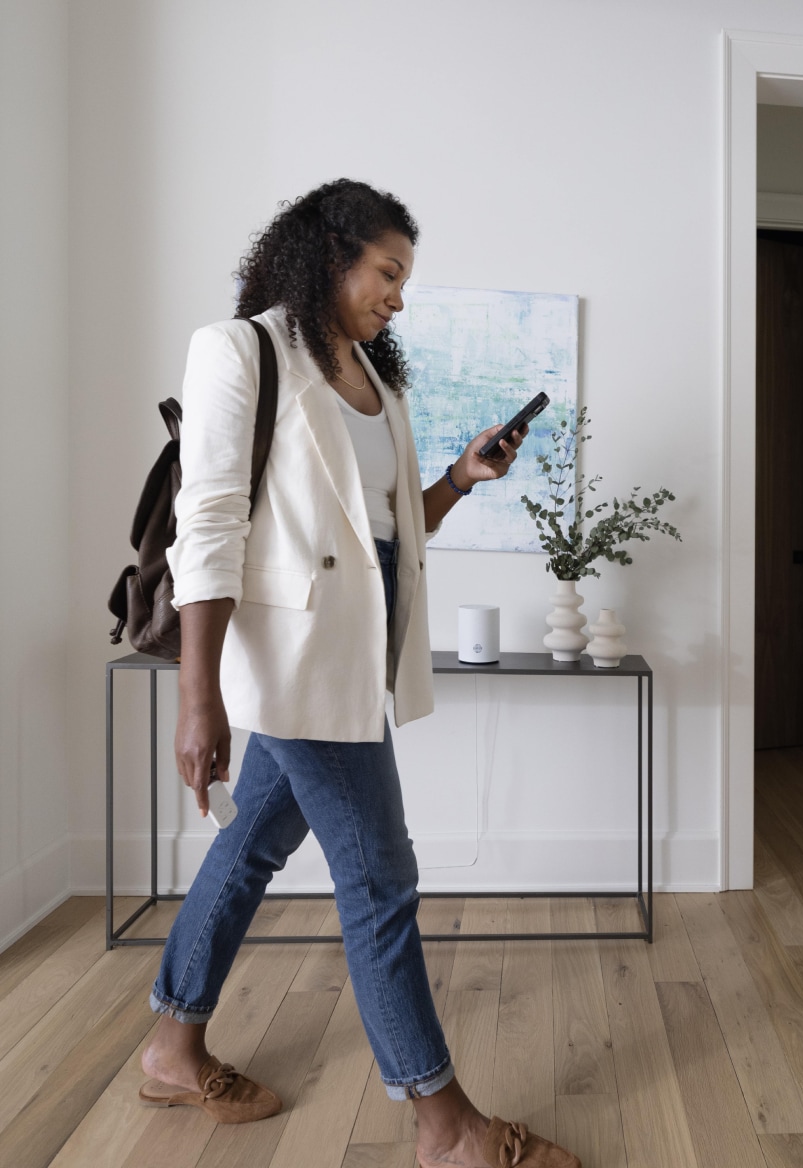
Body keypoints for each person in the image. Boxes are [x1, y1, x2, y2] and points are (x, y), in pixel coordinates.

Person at [136, 179, 579, 1168]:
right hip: (292, 669)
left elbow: (389, 530)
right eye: (388, 272)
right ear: (332, 252)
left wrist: (460, 479)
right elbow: (207, 528)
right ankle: (446, 1124)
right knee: (380, 879)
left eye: (404, 279)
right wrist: (196, 696)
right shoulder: (240, 350)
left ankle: (171, 1040)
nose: (398, 297)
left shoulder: (374, 379)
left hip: (355, 665)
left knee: (247, 849)